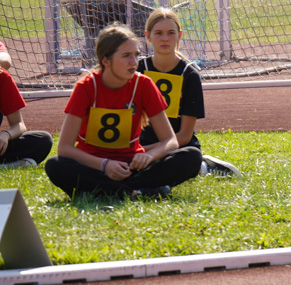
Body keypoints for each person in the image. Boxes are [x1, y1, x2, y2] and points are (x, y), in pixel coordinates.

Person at [44, 24, 202, 199]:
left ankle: (104, 191)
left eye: (136, 55)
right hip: (95, 166)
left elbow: (170, 141)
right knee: (55, 165)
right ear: (106, 61)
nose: (134, 62)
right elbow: (65, 148)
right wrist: (105, 165)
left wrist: (149, 156)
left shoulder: (144, 84)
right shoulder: (86, 87)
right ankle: (137, 192)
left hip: (133, 165)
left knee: (192, 157)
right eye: (126, 56)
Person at [139, 8, 240, 177]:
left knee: (190, 157)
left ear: (179, 35)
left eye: (171, 33)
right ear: (147, 36)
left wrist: (146, 153)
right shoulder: (137, 70)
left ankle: (201, 167)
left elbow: (185, 135)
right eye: (158, 33)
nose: (165, 38)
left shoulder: (190, 74)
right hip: (141, 144)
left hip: (176, 147)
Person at [1, 63, 53, 169]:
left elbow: (18, 124)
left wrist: (6, 135)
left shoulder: (2, 77)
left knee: (43, 140)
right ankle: (8, 166)